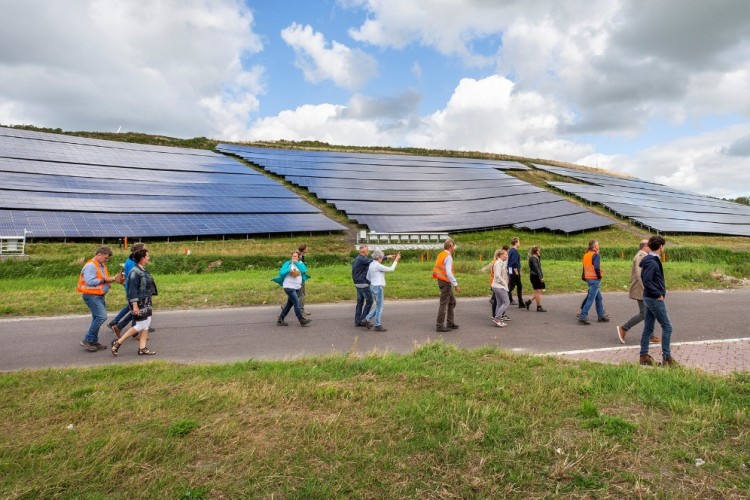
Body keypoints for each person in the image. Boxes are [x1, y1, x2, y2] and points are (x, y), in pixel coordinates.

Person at [638, 236, 678, 367]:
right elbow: (647, 280)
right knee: (667, 327)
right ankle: (667, 358)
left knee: (649, 327)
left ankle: (644, 356)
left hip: (648, 297)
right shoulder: (652, 262)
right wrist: (658, 294)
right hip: (653, 298)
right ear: (660, 247)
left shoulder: (649, 260)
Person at [111, 247, 158, 356]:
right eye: (147, 256)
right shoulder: (135, 272)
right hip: (140, 302)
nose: (149, 257)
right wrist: (135, 306)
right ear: (142, 258)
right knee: (140, 325)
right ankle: (117, 343)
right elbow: (132, 290)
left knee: (146, 324)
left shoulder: (142, 269)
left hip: (146, 300)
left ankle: (142, 348)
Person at [617, 240, 660, 344]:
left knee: (649, 312)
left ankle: (651, 335)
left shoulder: (644, 255)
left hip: (643, 289)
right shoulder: (641, 256)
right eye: (649, 245)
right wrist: (648, 289)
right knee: (644, 313)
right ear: (645, 247)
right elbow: (641, 275)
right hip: (641, 290)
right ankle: (623, 328)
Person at [77, 245, 119, 352]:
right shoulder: (91, 265)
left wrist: (112, 279)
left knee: (97, 318)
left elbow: (102, 278)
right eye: (105, 258)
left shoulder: (100, 265)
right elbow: (90, 281)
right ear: (99, 254)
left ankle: (93, 341)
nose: (106, 260)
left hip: (99, 295)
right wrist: (105, 280)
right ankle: (88, 339)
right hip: (92, 296)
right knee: (101, 317)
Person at [108, 242, 145, 337]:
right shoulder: (134, 263)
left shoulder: (130, 259)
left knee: (132, 307)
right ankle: (132, 331)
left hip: (130, 287)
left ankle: (117, 323)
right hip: (134, 289)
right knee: (136, 309)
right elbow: (134, 277)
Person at [363, 250, 401, 331]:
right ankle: (377, 325)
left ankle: (366, 319)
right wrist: (396, 260)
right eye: (381, 257)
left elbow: (368, 277)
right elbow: (391, 269)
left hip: (372, 286)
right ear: (379, 257)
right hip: (378, 287)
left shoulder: (372, 264)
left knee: (378, 306)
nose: (382, 258)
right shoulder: (377, 265)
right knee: (380, 307)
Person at [272, 251, 312, 327]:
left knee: (289, 305)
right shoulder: (288, 263)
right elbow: (281, 273)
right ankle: (301, 319)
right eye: (293, 256)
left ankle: (280, 319)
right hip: (288, 287)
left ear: (299, 257)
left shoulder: (300, 263)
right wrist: (288, 270)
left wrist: (296, 263)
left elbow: (304, 270)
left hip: (297, 287)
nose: (293, 258)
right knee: (297, 303)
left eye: (295, 256)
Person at [578, 239, 609, 325]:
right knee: (591, 299)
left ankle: (601, 316)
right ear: (595, 247)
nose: (599, 247)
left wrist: (584, 277)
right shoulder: (595, 255)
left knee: (598, 298)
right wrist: (599, 276)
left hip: (588, 278)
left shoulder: (586, 255)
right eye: (598, 245)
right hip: (595, 279)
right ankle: (583, 316)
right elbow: (596, 267)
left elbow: (584, 268)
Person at [432, 239, 460, 332]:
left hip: (441, 280)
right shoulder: (448, 257)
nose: (454, 248)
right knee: (444, 304)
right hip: (445, 282)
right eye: (453, 246)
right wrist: (455, 284)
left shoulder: (441, 254)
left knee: (452, 302)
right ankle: (439, 325)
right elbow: (448, 272)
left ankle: (450, 323)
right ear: (451, 247)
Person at [488, 244, 511, 321]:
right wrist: (504, 282)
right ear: (501, 255)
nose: (507, 256)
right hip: (499, 286)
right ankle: (497, 317)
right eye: (506, 255)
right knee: (506, 302)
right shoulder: (498, 263)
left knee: (499, 303)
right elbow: (497, 275)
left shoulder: (502, 263)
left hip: (498, 286)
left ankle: (497, 317)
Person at [525, 246, 547, 312]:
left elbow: (538, 267)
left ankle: (528, 302)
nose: (539, 251)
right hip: (535, 276)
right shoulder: (533, 258)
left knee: (538, 291)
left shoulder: (535, 257)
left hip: (535, 275)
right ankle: (539, 307)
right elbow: (536, 268)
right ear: (536, 251)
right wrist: (540, 277)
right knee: (538, 292)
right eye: (538, 250)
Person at [507, 237, 525, 308]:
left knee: (518, 286)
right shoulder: (514, 251)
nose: (519, 243)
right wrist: (516, 271)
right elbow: (514, 262)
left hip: (511, 271)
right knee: (511, 287)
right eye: (519, 242)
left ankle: (521, 302)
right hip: (514, 272)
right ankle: (498, 297)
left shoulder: (511, 250)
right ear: (516, 243)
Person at [297, 243, 311, 316]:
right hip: (300, 278)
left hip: (299, 277)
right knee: (301, 294)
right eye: (307, 248)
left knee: (296, 293)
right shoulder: (299, 256)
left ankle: (285, 306)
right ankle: (301, 310)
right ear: (304, 249)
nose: (307, 249)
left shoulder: (299, 255)